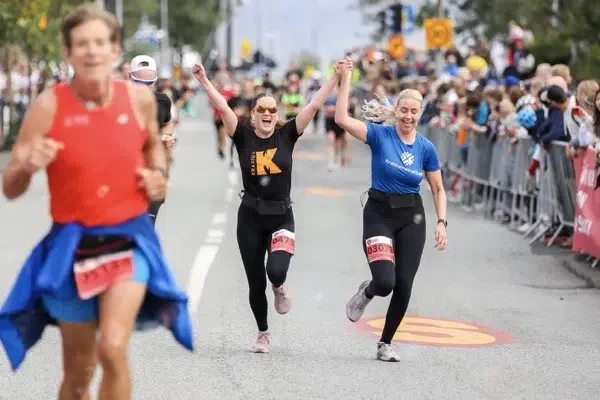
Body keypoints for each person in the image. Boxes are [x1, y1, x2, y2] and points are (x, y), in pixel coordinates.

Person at [0, 4, 193, 399]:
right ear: (68, 53)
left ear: (114, 51)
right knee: (77, 376)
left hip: (127, 242)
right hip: (72, 247)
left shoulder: (139, 102)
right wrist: (27, 167)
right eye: (81, 44)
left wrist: (158, 180)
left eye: (100, 43)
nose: (91, 51)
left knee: (113, 347)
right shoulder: (47, 107)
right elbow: (10, 187)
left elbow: (157, 161)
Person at [191, 60, 340, 353]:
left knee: (275, 270)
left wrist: (336, 75)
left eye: (273, 110)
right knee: (255, 281)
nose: (269, 114)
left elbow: (314, 104)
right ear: (253, 115)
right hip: (250, 216)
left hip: (282, 215)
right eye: (263, 110)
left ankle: (280, 285)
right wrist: (204, 80)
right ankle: (263, 333)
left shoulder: (287, 134)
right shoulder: (243, 135)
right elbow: (222, 107)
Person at [334, 59, 448, 362]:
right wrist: (345, 79)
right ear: (396, 111)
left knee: (405, 284)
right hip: (379, 214)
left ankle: (385, 342)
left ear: (421, 114)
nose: (408, 116)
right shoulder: (380, 135)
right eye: (404, 110)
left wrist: (441, 222)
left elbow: (437, 188)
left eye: (414, 112)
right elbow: (342, 119)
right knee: (386, 282)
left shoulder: (426, 148)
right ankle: (367, 291)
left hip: (412, 216)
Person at [129, 54, 177, 226]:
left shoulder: (163, 101)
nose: (145, 88)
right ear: (131, 79)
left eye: (150, 83)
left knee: (147, 225)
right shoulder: (121, 101)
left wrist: (168, 136)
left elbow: (168, 123)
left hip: (154, 171)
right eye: (140, 83)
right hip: (128, 173)